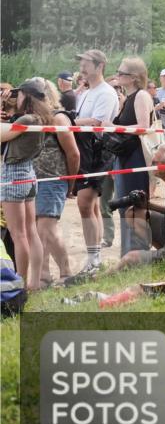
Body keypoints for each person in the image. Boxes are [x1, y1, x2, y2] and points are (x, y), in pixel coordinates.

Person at [71, 49, 120, 275]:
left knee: (85, 203)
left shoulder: (106, 92)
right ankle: (95, 258)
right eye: (81, 62)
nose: (82, 66)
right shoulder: (87, 92)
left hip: (97, 150)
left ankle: (93, 259)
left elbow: (98, 122)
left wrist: (68, 121)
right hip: (86, 148)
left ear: (100, 66)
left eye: (86, 62)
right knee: (90, 206)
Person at [1, 79, 50, 290]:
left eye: (19, 94)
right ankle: (33, 283)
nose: (16, 97)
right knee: (31, 231)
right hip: (28, 172)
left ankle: (20, 284)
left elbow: (2, 135)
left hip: (14, 173)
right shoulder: (39, 117)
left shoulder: (28, 118)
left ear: (27, 96)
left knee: (18, 234)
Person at [110, 56, 155, 255]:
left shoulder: (141, 96)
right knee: (124, 206)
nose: (117, 75)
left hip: (137, 156)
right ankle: (129, 252)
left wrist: (114, 127)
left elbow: (143, 127)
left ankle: (137, 252)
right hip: (125, 157)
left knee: (134, 206)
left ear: (134, 77)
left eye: (122, 73)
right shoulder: (128, 98)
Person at [35, 80, 78, 286]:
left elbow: (73, 154)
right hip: (34, 181)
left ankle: (56, 273)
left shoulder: (59, 118)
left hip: (53, 180)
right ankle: (54, 273)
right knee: (42, 230)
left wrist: (70, 183)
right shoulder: (34, 119)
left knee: (45, 229)